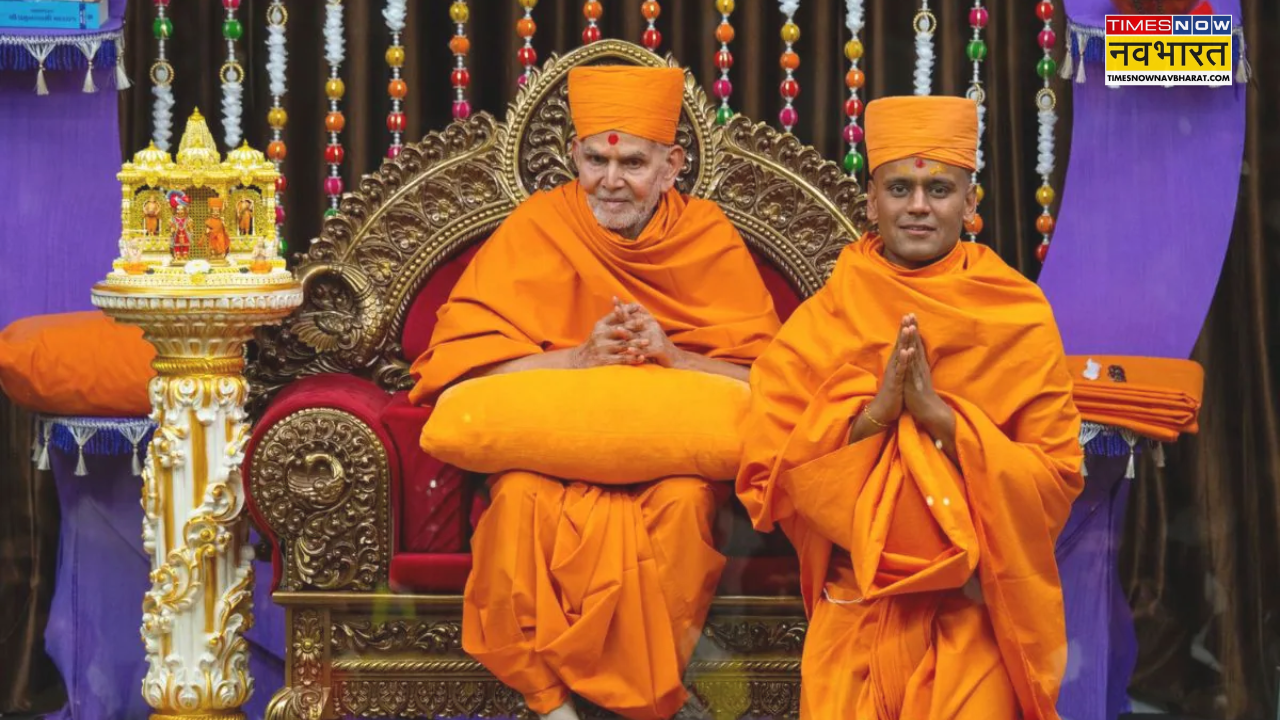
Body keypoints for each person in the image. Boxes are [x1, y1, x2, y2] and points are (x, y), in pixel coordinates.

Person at [408, 66, 781, 720]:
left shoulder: (706, 236)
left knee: (684, 504)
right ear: (574, 156)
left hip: (667, 467)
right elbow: (460, 373)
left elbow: (771, 379)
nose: (611, 180)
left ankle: (636, 700)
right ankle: (549, 700)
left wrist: (673, 356)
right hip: (550, 463)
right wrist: (576, 359)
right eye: (596, 160)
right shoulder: (538, 226)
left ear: (671, 167)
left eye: (632, 162)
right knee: (517, 500)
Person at [736, 95, 1084, 720]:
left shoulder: (1017, 315)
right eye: (899, 188)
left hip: (973, 606)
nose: (918, 205)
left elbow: (1056, 479)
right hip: (857, 603)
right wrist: (875, 413)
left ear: (970, 204)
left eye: (939, 189)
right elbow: (769, 479)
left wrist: (939, 418)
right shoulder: (826, 318)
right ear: (872, 202)